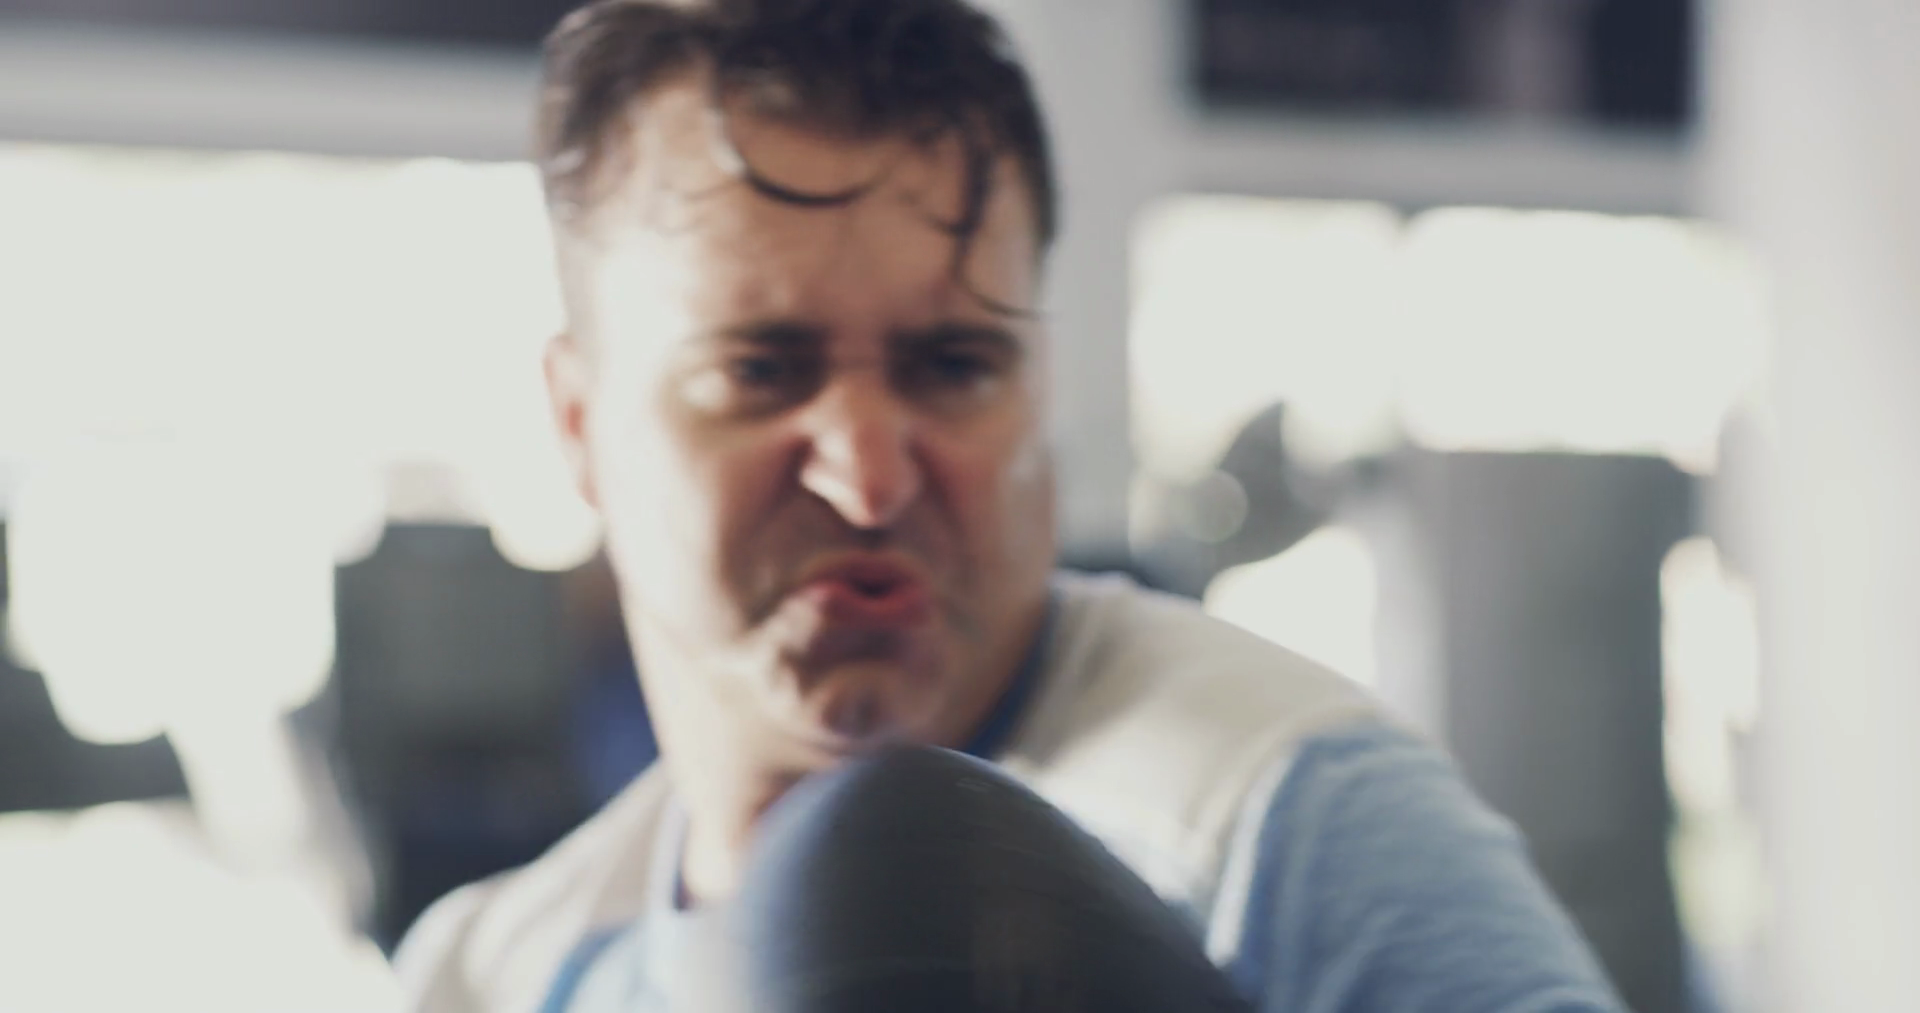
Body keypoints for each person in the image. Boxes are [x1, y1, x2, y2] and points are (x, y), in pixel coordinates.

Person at [394, 1, 1624, 1011]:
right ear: (581, 424)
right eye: (763, 371)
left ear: (1038, 393)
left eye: (953, 364)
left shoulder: (1277, 816)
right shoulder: (495, 974)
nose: (871, 479)